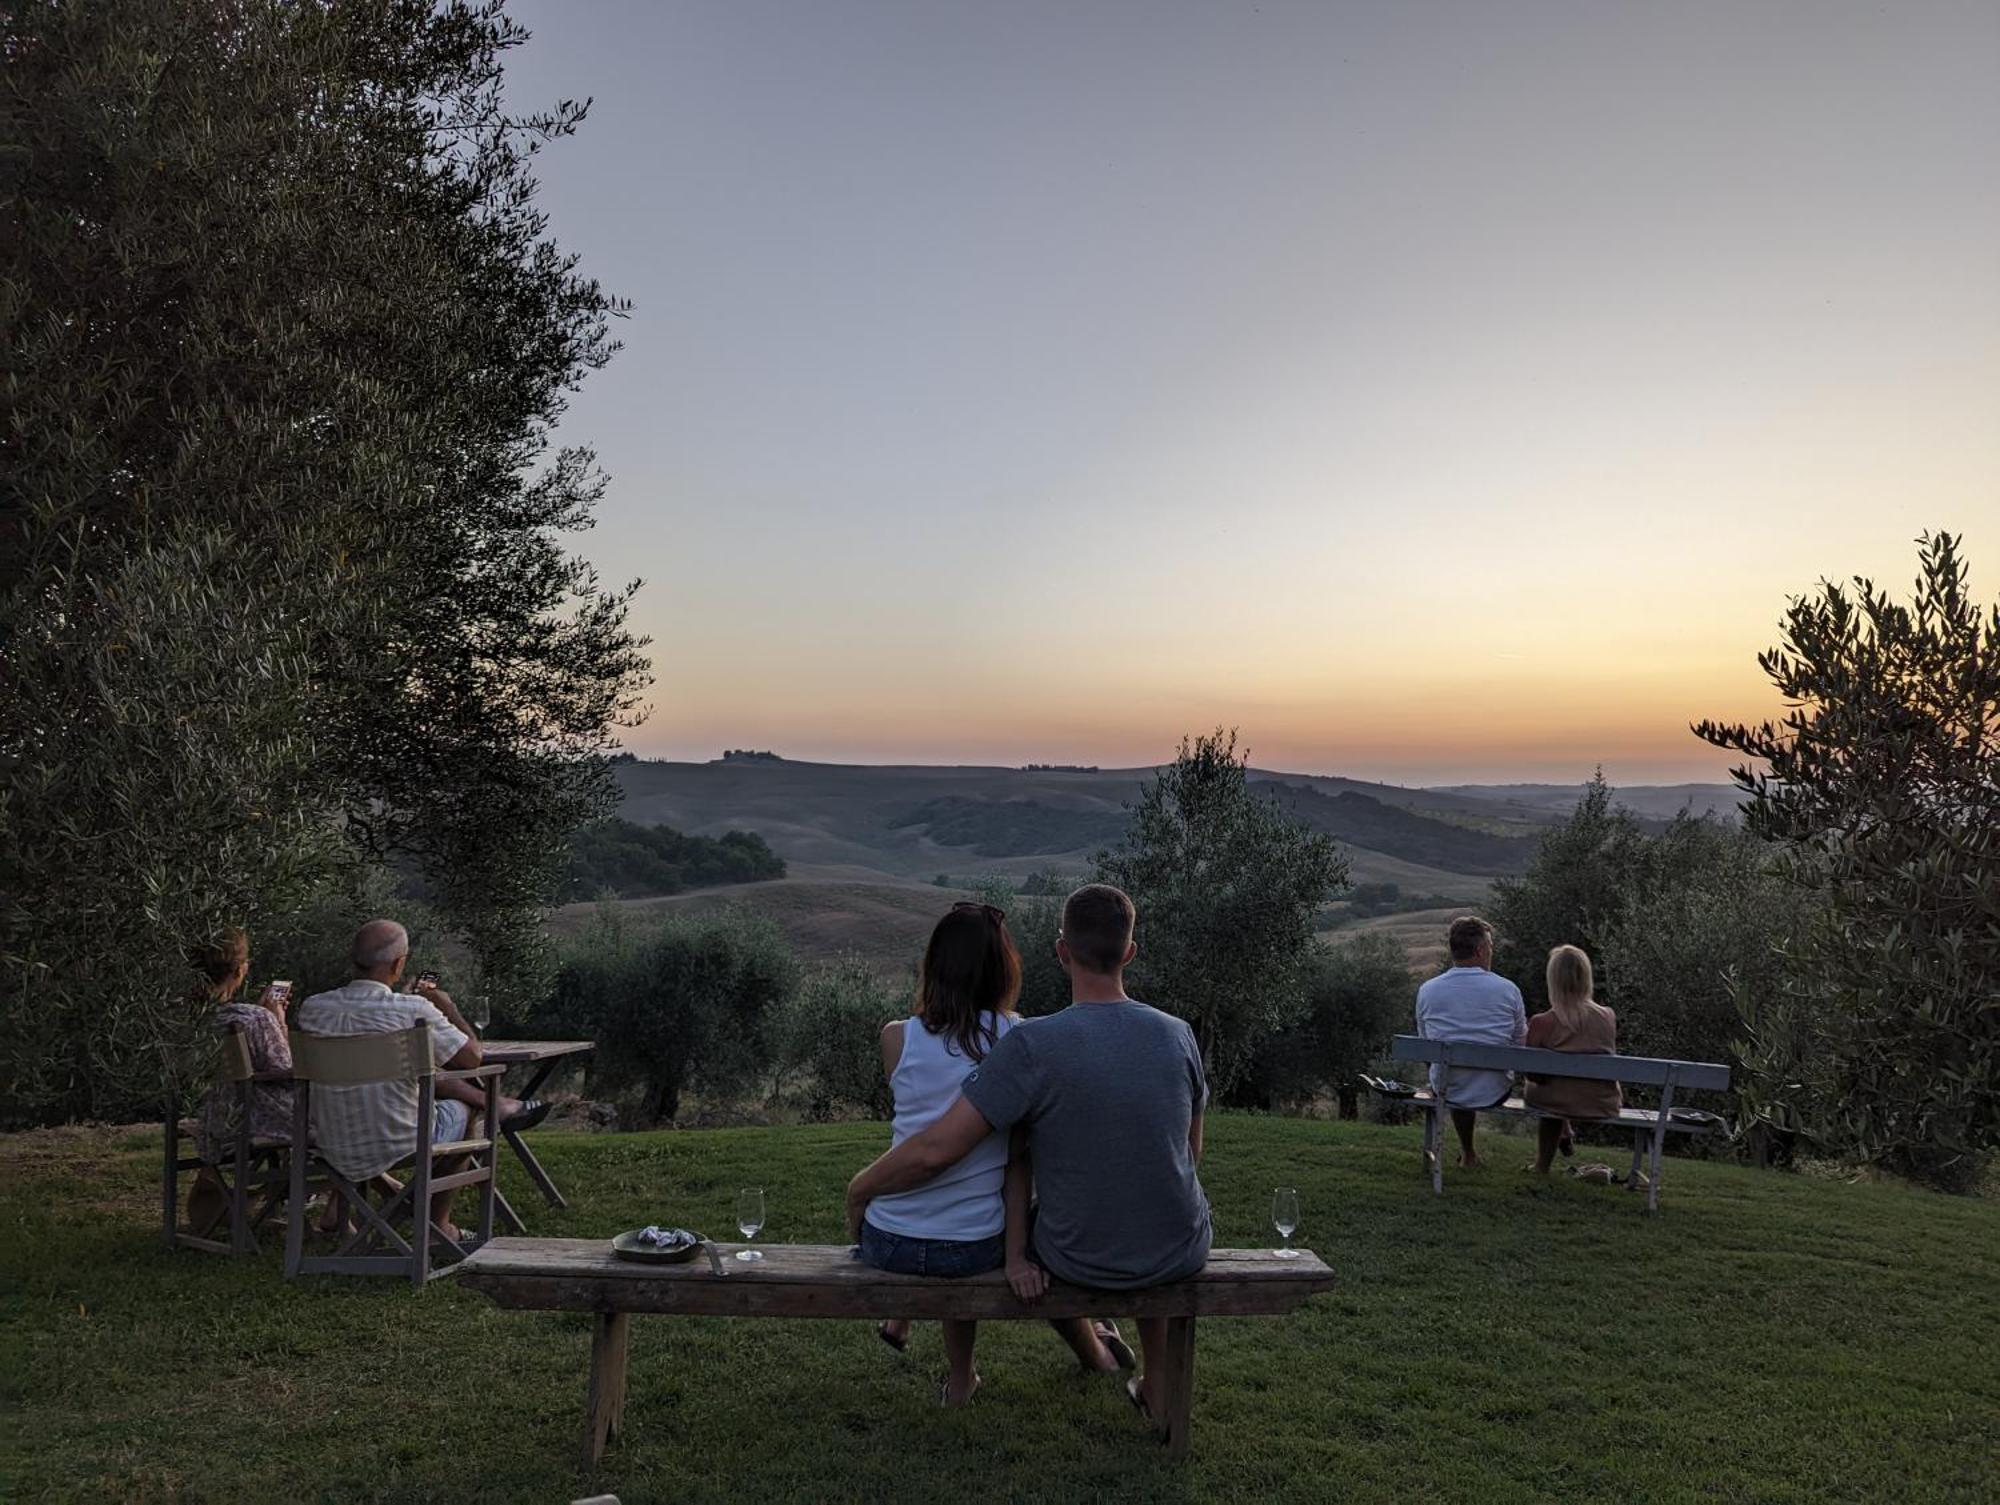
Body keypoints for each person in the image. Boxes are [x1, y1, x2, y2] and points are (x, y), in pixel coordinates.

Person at [846, 884, 1210, 1425]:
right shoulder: (1179, 1035)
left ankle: (1086, 1346)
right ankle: (1153, 1383)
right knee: (1144, 1202)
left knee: (1035, 1219)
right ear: (1130, 953)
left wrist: (860, 1190)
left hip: (1077, 1253)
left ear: (1062, 952)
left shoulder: (1034, 1044)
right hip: (1177, 1244)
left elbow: (942, 1147)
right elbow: (1189, 1154)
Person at [861, 902, 1026, 1405]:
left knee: (940, 1206)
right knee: (969, 1217)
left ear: (934, 965)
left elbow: (923, 1117)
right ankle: (961, 1378)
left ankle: (901, 1316)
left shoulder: (896, 1038)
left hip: (889, 1238)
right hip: (970, 1247)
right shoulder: (1019, 1038)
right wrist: (1017, 1255)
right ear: (1002, 970)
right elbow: (1019, 1160)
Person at [294, 919, 547, 1239]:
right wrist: (448, 1007)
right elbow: (471, 1058)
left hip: (332, 1142)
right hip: (402, 1142)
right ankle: (437, 1225)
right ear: (398, 964)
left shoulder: (313, 1009)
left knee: (401, 1095)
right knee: (464, 1110)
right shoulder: (412, 1010)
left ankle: (389, 1211)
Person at [187, 928, 321, 1232]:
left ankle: (278, 1205)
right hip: (255, 1124)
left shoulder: (185, 1017)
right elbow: (288, 1071)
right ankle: (348, 1209)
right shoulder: (254, 1018)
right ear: (239, 969)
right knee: (341, 1122)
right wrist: (276, 1021)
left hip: (212, 1122)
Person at [1414, 915, 1527, 1168]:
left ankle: (1468, 1154)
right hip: (1495, 1089)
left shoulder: (1428, 989)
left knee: (1454, 1077)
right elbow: (1521, 1044)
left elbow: (1425, 1043)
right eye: (1491, 948)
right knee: (1466, 1077)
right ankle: (1469, 1155)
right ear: (1480, 950)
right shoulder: (1508, 989)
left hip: (1447, 1088)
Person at [1523, 944, 1622, 1173]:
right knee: (1563, 1088)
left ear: (1552, 979)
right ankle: (1565, 1130)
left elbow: (1532, 1073)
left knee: (1548, 1090)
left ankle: (1542, 1165)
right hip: (1601, 1102)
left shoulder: (1542, 1022)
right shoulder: (1607, 1016)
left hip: (1555, 1101)